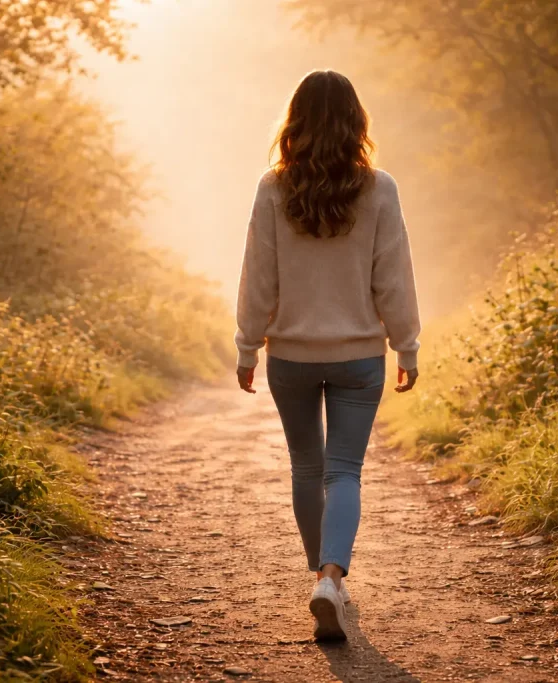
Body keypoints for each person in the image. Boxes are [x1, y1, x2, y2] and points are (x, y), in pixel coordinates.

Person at [234, 69, 422, 641]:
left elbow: (257, 276)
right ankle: (331, 578)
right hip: (358, 358)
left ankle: (323, 580)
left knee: (306, 468)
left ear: (295, 122)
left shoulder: (273, 186)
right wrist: (405, 342)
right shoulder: (379, 187)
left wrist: (247, 344)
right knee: (344, 471)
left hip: (290, 356)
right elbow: (393, 276)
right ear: (355, 121)